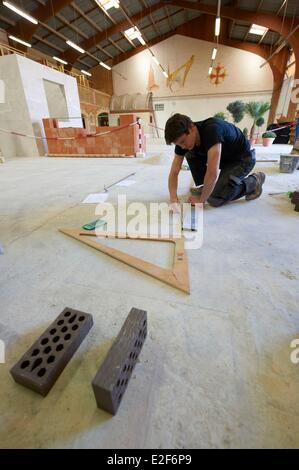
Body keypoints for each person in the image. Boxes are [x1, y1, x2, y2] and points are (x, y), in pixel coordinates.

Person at [165, 113, 266, 208]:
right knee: (189, 152)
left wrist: (201, 201)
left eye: (183, 141)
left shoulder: (212, 130)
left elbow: (212, 173)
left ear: (191, 127)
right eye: (178, 144)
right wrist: (173, 199)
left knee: (214, 199)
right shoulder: (183, 143)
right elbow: (174, 172)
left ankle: (254, 182)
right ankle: (206, 186)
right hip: (225, 159)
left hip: (242, 158)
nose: (182, 146)